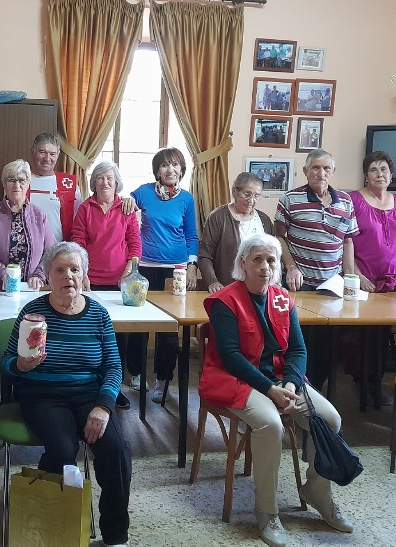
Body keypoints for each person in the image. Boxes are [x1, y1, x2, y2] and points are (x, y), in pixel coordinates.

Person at [200, 233, 354, 547]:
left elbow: (297, 349)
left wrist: (291, 384)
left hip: (282, 379)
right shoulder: (226, 301)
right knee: (271, 424)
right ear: (243, 263)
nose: (265, 266)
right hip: (237, 378)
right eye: (257, 259)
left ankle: (317, 492)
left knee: (331, 418)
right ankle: (267, 510)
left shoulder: (283, 298)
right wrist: (271, 390)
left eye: (271, 260)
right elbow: (230, 356)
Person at [3, 241, 132, 547]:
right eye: (59, 270)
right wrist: (20, 365)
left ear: (84, 274)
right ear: (48, 276)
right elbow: (6, 361)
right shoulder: (32, 312)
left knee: (116, 449)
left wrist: (104, 406)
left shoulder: (98, 314)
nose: (68, 276)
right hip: (43, 396)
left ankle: (115, 536)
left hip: (89, 397)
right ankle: (49, 526)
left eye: (75, 269)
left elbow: (114, 366)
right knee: (62, 451)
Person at [124, 147, 198, 403]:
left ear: (181, 170)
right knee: (139, 324)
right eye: (165, 165)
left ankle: (163, 379)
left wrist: (191, 265)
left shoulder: (186, 199)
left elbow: (191, 235)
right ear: (157, 171)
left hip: (175, 270)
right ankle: (136, 374)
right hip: (144, 268)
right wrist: (127, 199)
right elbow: (125, 202)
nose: (170, 169)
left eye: (175, 165)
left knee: (169, 328)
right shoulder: (144, 192)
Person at [71, 161, 142, 410]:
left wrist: (129, 270)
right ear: (93, 183)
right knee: (92, 337)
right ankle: (93, 387)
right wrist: (82, 273)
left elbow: (135, 243)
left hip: (120, 283)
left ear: (117, 182)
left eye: (110, 178)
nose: (105, 182)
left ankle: (115, 389)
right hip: (91, 282)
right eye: (100, 178)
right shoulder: (85, 208)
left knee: (118, 338)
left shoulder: (126, 208)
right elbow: (78, 242)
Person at [275, 148, 358, 291]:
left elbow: (348, 241)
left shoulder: (346, 201)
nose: (321, 173)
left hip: (334, 283)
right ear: (305, 171)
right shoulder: (289, 199)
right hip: (300, 283)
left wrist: (349, 276)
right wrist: (291, 268)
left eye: (326, 168)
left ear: (333, 171)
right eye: (315, 168)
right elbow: (279, 236)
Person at [344, 151, 396, 294]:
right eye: (373, 170)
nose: (380, 174)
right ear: (366, 177)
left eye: (384, 169)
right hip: (363, 284)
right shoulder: (352, 200)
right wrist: (358, 277)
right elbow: (345, 243)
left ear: (391, 175)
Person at [0, 159, 53, 291]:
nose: (17, 185)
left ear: (28, 184)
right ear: (4, 185)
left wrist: (39, 275)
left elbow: (50, 252)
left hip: (30, 289)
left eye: (21, 180)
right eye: (11, 180)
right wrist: (2, 273)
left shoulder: (40, 215)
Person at [198, 172, 274, 294]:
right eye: (247, 194)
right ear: (234, 191)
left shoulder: (264, 220)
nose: (251, 201)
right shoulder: (218, 217)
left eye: (256, 196)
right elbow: (205, 255)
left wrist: (276, 282)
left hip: (259, 291)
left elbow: (274, 257)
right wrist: (212, 281)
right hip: (227, 289)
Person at [27, 133, 82, 243]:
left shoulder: (68, 184)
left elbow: (81, 219)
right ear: (33, 152)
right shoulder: (20, 181)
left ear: (57, 156)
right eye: (42, 152)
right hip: (27, 248)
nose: (47, 158)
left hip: (59, 249)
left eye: (52, 154)